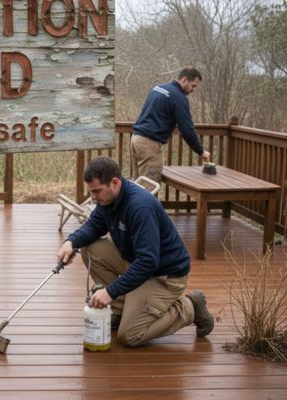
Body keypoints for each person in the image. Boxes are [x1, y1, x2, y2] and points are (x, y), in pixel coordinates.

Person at [57, 156, 213, 347]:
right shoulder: (108, 200)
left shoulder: (140, 207)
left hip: (164, 276)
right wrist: (71, 242)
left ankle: (190, 307)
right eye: (91, 192)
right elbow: (95, 225)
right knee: (90, 249)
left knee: (130, 335)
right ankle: (122, 309)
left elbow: (148, 261)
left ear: (115, 182)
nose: (94, 197)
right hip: (137, 263)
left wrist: (110, 291)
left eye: (97, 191)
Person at [131, 67, 211, 183]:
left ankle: (134, 202)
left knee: (137, 184)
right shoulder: (179, 98)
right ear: (184, 80)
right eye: (193, 86)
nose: (193, 90)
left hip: (136, 139)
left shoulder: (158, 88)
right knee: (149, 186)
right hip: (149, 144)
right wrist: (201, 151)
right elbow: (187, 130)